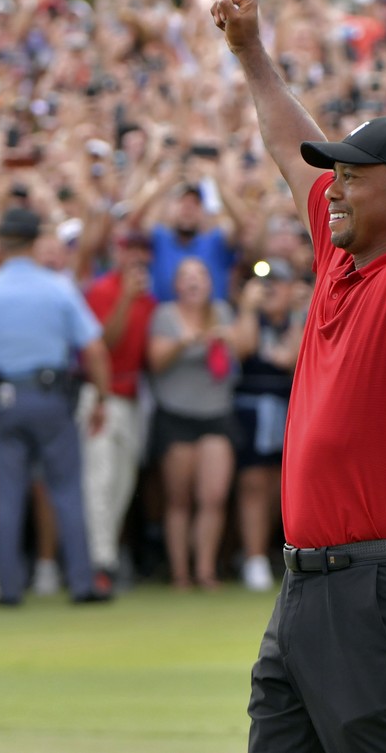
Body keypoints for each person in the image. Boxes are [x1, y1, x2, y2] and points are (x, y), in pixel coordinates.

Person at [215, 0, 386, 752]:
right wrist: (251, 54)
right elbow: (285, 141)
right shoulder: (340, 259)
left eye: (352, 174)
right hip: (305, 587)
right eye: (333, 173)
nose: (332, 186)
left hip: (376, 592)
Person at [0, 206, 112, 607]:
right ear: (33, 241)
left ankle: (9, 587)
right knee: (66, 491)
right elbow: (93, 348)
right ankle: (80, 582)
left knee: (8, 494)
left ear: (3, 242)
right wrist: (103, 398)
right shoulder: (58, 287)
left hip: (6, 398)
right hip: (51, 397)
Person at [147, 257, 255, 590]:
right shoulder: (164, 316)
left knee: (214, 495)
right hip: (177, 415)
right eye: (186, 276)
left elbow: (245, 348)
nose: (193, 282)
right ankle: (181, 572)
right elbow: (155, 361)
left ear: (210, 282)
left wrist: (244, 314)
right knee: (179, 499)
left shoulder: (221, 313)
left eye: (200, 275)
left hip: (215, 414)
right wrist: (185, 341)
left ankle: (205, 570)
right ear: (176, 284)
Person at [81, 230, 157, 588]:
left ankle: (104, 557)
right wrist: (125, 299)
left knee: (122, 486)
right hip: (101, 394)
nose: (136, 258)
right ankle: (101, 563)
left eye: (142, 251)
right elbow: (101, 344)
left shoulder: (150, 301)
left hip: (131, 397)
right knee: (100, 481)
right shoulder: (103, 290)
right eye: (131, 250)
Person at [230, 259, 302, 592]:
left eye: (279, 282)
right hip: (252, 409)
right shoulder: (250, 318)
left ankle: (268, 554)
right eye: (265, 282)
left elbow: (293, 358)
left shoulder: (297, 318)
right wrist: (247, 308)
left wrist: (302, 309)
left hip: (289, 408)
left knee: (278, 486)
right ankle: (254, 558)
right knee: (254, 482)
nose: (271, 288)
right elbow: (242, 348)